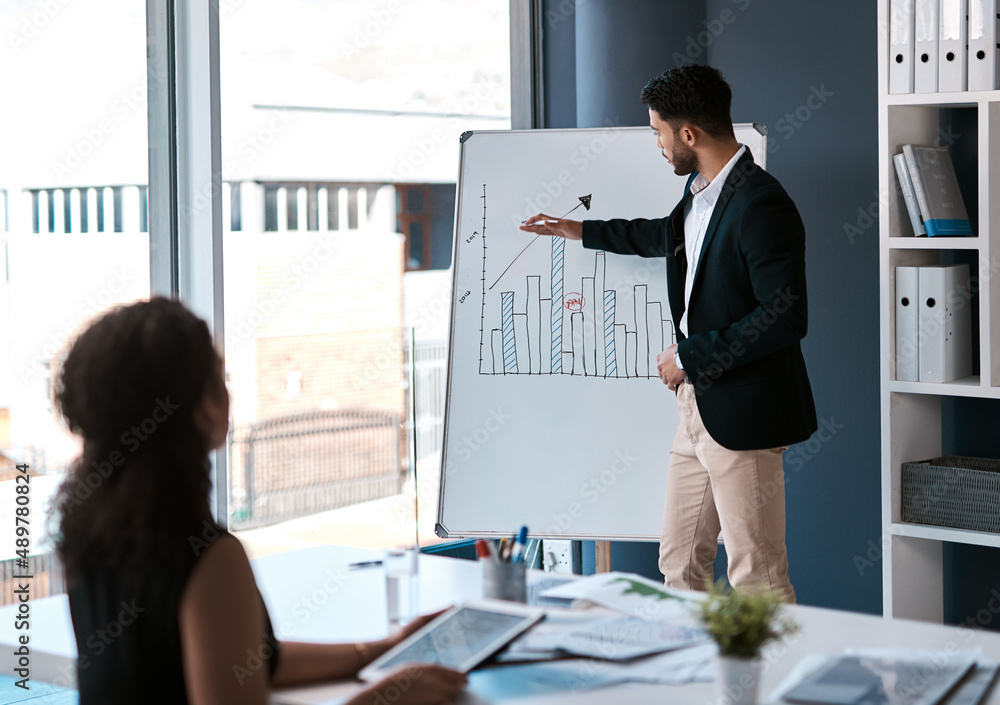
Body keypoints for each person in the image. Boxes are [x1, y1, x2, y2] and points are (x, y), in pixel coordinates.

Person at [52, 297, 467, 705]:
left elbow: (244, 664)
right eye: (220, 379)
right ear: (198, 408)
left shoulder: (88, 531)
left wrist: (384, 649)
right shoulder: (207, 556)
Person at [520, 65, 816, 602]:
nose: (656, 142)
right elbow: (665, 235)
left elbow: (786, 313)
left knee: (758, 577)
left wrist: (690, 355)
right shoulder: (700, 192)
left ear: (688, 134)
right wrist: (578, 229)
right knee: (679, 567)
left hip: (744, 414)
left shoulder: (761, 203)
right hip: (696, 409)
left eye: (658, 131)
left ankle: (772, 686)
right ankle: (693, 684)